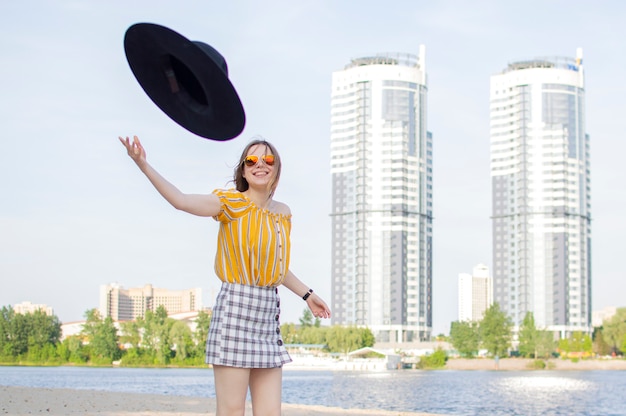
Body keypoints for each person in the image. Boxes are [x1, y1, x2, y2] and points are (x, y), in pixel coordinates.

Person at [119, 135, 331, 416]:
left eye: (268, 160)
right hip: (235, 310)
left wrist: (307, 294)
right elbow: (181, 201)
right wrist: (143, 165)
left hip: (267, 315)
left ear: (276, 170)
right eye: (251, 160)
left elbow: (275, 268)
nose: (260, 165)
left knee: (270, 412)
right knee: (232, 410)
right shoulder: (229, 203)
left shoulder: (282, 215)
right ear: (243, 170)